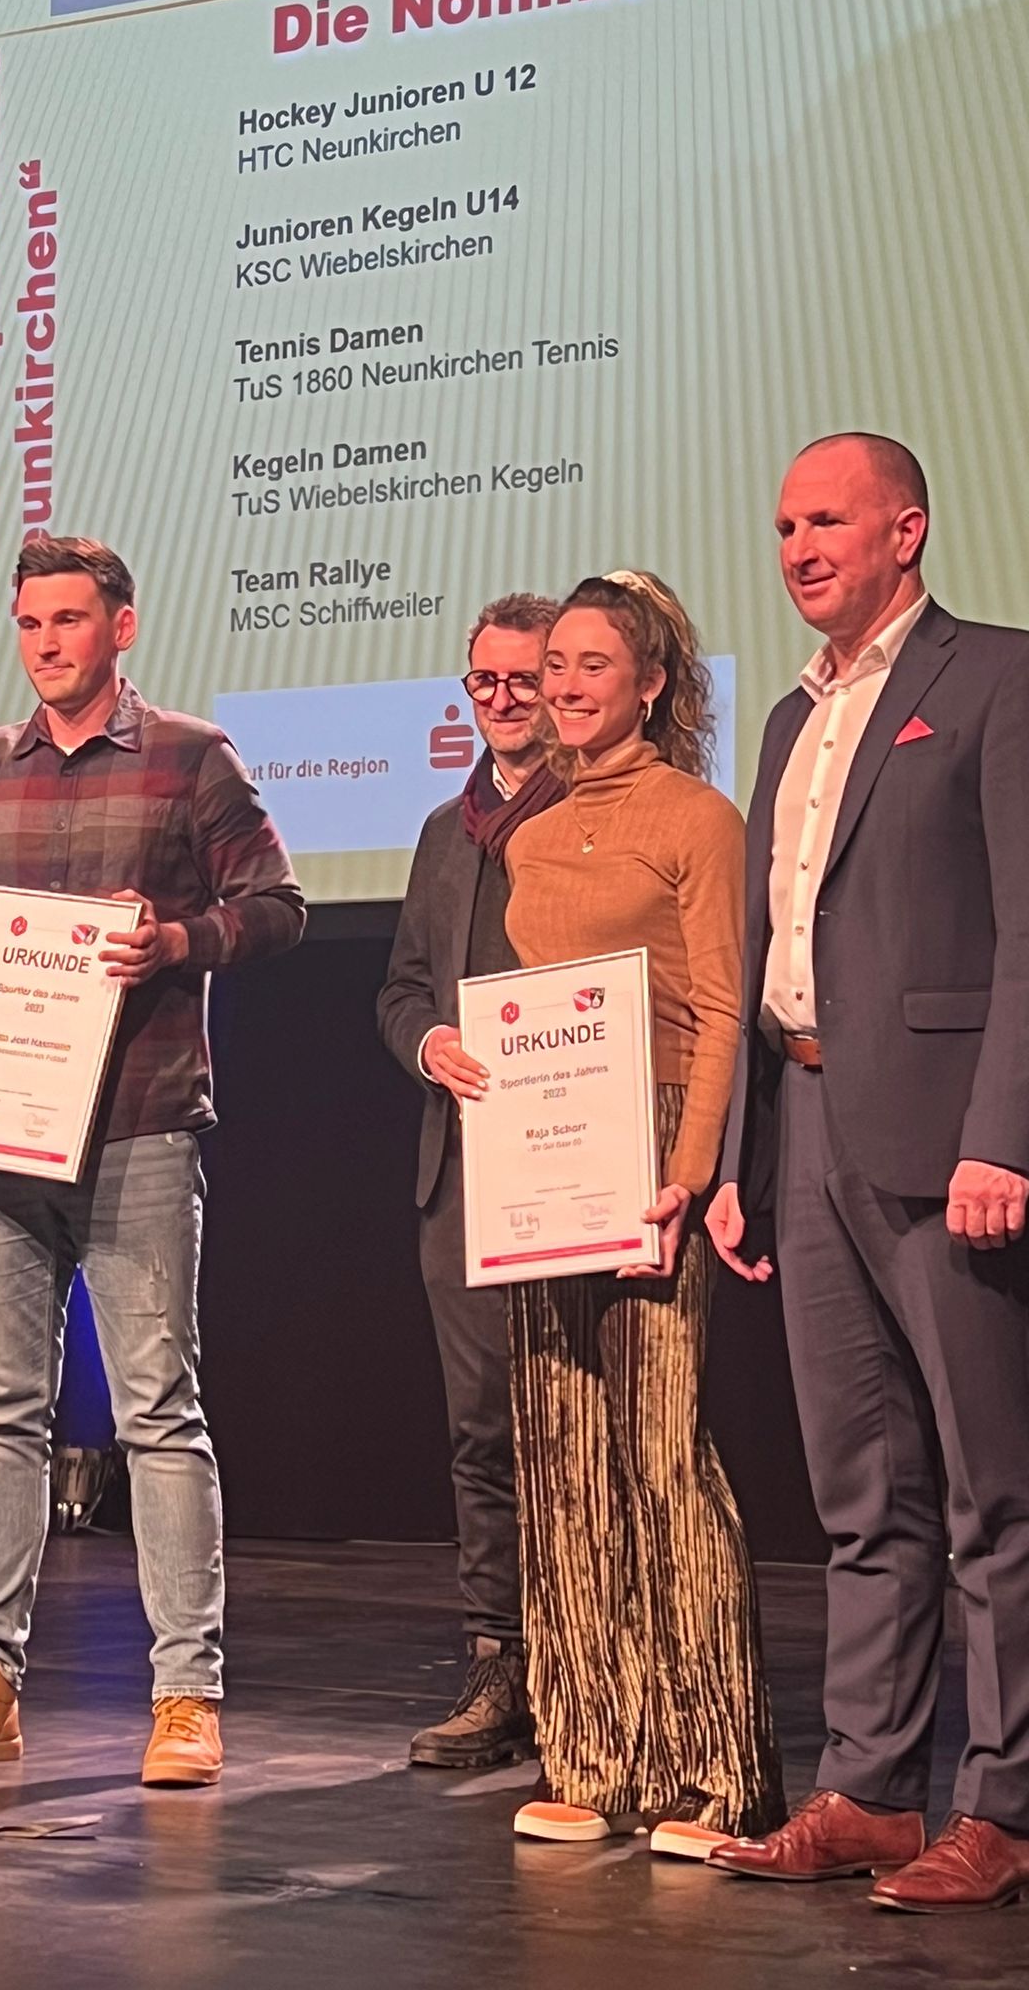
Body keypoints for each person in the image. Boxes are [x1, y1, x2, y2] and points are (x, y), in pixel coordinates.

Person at [0, 534, 304, 1786]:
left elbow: (279, 907)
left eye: (70, 619)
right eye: (31, 622)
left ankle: (185, 1694)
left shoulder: (191, 757)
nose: (48, 642)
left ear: (121, 626)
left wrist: (176, 940)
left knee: (157, 1408)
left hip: (139, 1126)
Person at [706, 434, 1029, 1912]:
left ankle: (1003, 1807)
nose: (799, 548)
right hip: (816, 1119)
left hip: (948, 1133)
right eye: (784, 526)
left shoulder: (996, 678)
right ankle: (872, 1790)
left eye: (826, 520)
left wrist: (1002, 1133)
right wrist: (744, 1155)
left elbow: (1025, 929)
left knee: (991, 1495)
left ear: (908, 530)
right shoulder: (790, 715)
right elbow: (774, 948)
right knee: (860, 1491)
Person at [502, 571, 783, 1855]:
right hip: (544, 1148)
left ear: (653, 683)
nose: (563, 685)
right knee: (561, 1453)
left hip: (657, 1139)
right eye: (553, 663)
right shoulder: (528, 831)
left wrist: (692, 1167)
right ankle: (592, 1754)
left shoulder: (698, 818)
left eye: (592, 665)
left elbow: (724, 1008)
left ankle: (717, 1766)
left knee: (662, 1454)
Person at [377, 593, 563, 1768]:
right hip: (459, 1167)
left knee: (579, 1428)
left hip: (578, 1159)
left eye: (522, 680)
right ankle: (501, 1664)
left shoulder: (598, 813)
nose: (500, 699)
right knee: (481, 1429)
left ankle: (594, 1670)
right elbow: (401, 986)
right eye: (481, 681)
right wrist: (427, 1043)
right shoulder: (448, 828)